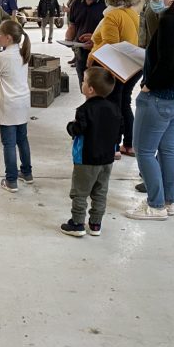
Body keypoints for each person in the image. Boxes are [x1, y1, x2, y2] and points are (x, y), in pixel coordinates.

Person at [126, 0, 174, 221]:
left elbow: (167, 63)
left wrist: (149, 85)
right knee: (168, 149)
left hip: (161, 98)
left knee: (144, 151)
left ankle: (155, 205)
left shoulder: (168, 22)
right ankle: (169, 200)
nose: (152, 2)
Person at [61, 67, 121, 237]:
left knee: (80, 192)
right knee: (100, 192)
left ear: (90, 89)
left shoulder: (84, 110)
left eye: (84, 81)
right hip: (107, 159)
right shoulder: (114, 108)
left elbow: (78, 129)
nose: (82, 83)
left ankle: (77, 223)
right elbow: (119, 131)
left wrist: (70, 125)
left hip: (86, 158)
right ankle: (95, 224)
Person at [87, 0, 140, 157]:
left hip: (114, 66)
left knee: (113, 106)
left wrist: (92, 55)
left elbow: (110, 44)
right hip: (131, 65)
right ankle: (129, 144)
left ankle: (114, 146)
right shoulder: (131, 13)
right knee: (124, 103)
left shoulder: (112, 16)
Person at [0, 20, 32, 193]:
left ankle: (11, 180)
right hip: (22, 102)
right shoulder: (24, 53)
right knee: (23, 139)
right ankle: (27, 173)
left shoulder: (1, 57)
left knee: (9, 144)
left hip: (8, 105)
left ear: (7, 38)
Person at [65, 0, 105, 87]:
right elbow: (73, 25)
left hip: (102, 56)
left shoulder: (107, 2)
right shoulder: (77, 3)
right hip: (82, 54)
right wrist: (68, 38)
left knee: (100, 90)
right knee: (85, 87)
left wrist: (96, 40)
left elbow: (115, 30)